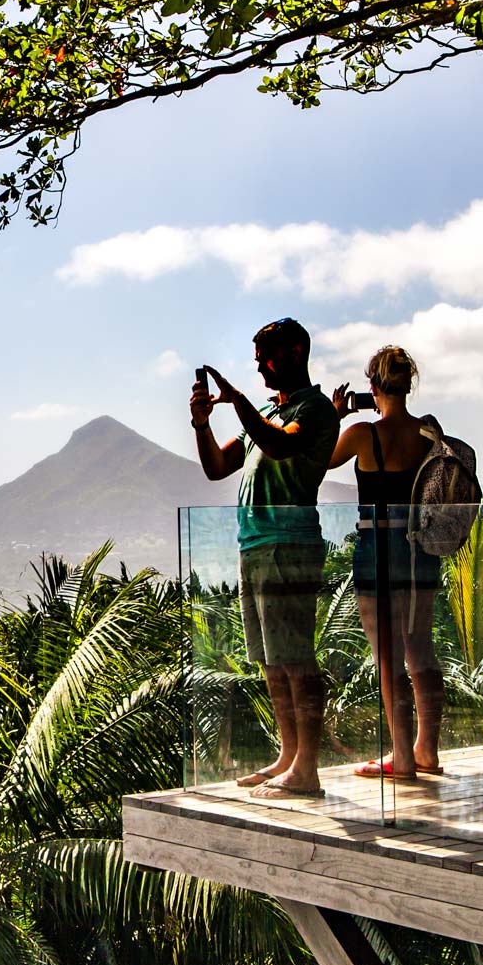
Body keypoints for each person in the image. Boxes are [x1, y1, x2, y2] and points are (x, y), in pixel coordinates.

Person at [191, 318, 341, 799]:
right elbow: (217, 468)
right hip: (253, 544)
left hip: (290, 544)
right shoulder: (265, 412)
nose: (258, 366)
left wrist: (238, 406)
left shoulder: (314, 409)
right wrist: (201, 424)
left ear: (296, 352)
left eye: (267, 356)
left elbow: (280, 444)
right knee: (271, 662)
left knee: (296, 658)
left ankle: (308, 768)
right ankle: (288, 755)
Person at [328, 345, 444, 781]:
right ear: (408, 385)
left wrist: (336, 417)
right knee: (421, 653)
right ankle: (426, 749)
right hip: (420, 550)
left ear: (372, 386)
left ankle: (401, 755)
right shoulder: (429, 433)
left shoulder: (362, 434)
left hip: (377, 550)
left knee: (387, 658)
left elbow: (317, 462)